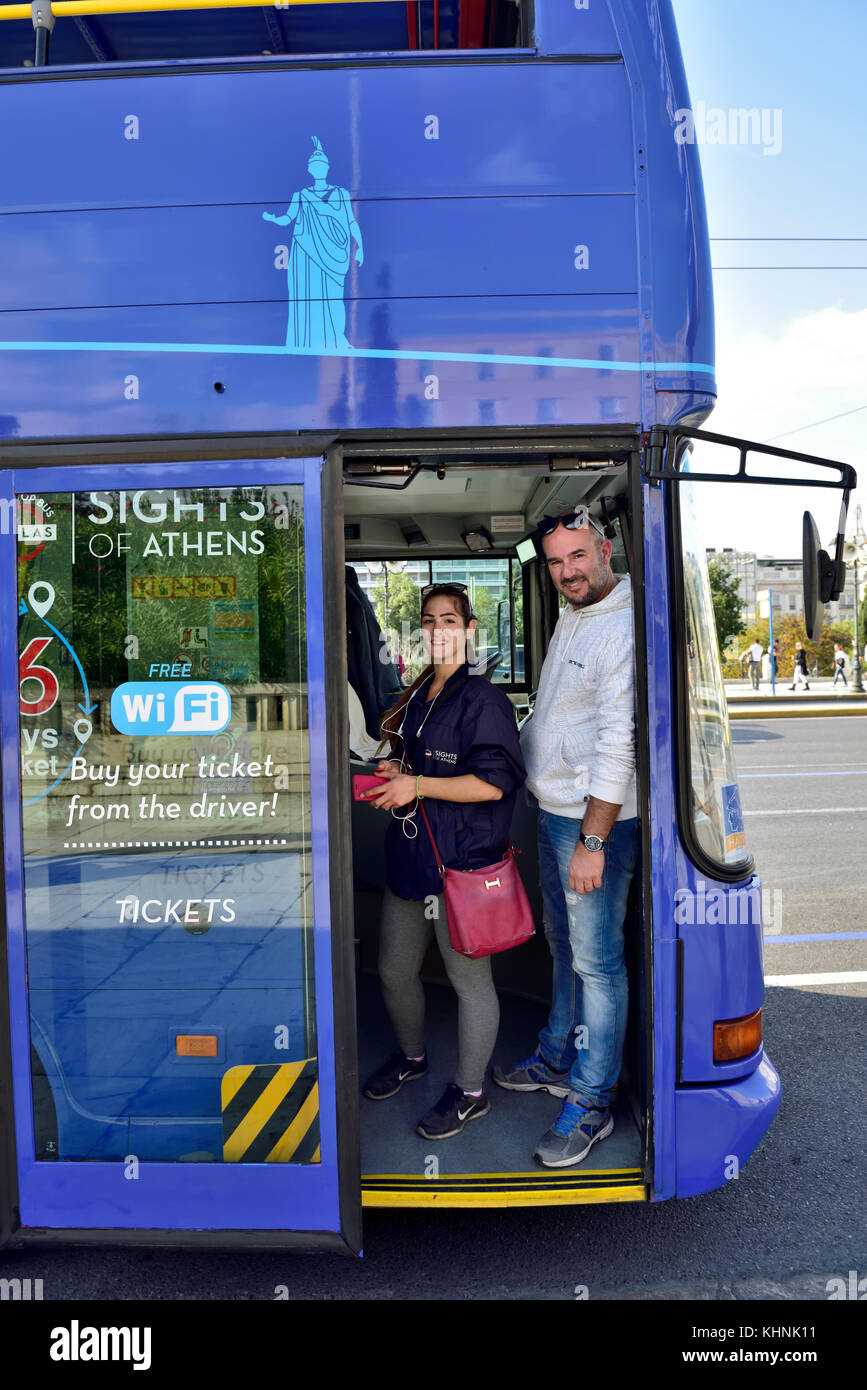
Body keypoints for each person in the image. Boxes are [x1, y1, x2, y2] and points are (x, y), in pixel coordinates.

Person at [494, 508, 638, 1168]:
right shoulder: (575, 611)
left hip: (590, 825)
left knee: (597, 964)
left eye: (576, 557)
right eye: (554, 562)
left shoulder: (623, 626)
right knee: (563, 945)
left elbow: (619, 745)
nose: (566, 572)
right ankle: (558, 1054)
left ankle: (590, 1101)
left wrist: (593, 843)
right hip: (554, 813)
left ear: (603, 549)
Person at [359, 583, 526, 1139]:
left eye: (449, 619)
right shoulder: (418, 694)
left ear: (470, 629)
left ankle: (471, 1092)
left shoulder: (484, 701)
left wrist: (419, 786)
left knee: (468, 983)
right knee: (393, 971)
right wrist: (396, 775)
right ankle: (412, 1058)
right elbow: (414, 767)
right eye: (429, 620)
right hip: (411, 859)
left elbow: (492, 785)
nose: (438, 630)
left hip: (461, 865)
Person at [262, 135, 363, 350]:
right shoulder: (301, 195)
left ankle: (338, 338)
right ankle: (309, 340)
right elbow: (288, 219)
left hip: (337, 253)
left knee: (335, 299)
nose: (318, 169)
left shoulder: (341, 193)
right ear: (310, 170)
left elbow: (351, 221)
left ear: (327, 168)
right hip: (309, 254)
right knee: (311, 298)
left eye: (322, 165)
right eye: (314, 166)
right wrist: (273, 219)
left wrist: (360, 247)